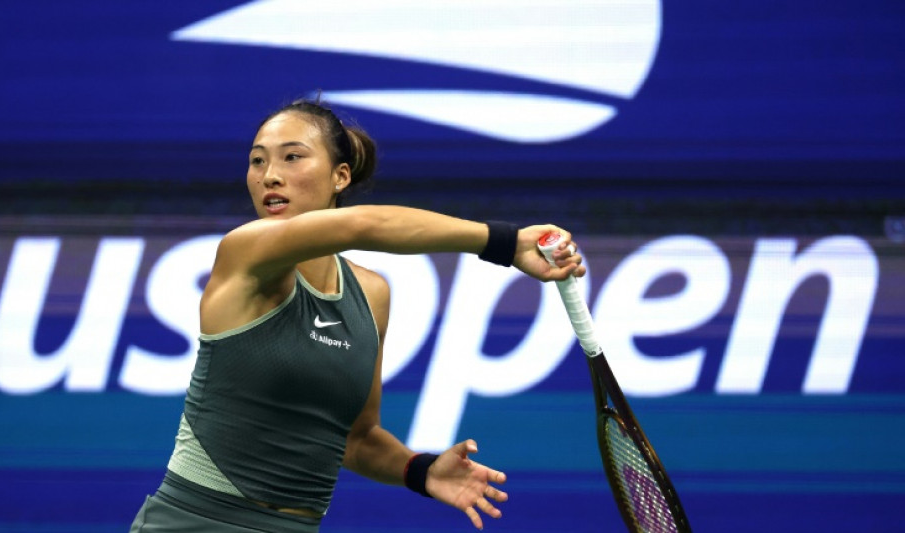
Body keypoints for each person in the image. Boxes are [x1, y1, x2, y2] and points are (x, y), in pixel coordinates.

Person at [128, 98, 585, 533]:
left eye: (292, 158)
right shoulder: (243, 254)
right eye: (258, 161)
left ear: (340, 176)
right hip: (195, 521)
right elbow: (364, 225)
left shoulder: (370, 294)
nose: (270, 176)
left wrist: (421, 470)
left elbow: (357, 438)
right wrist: (506, 243)